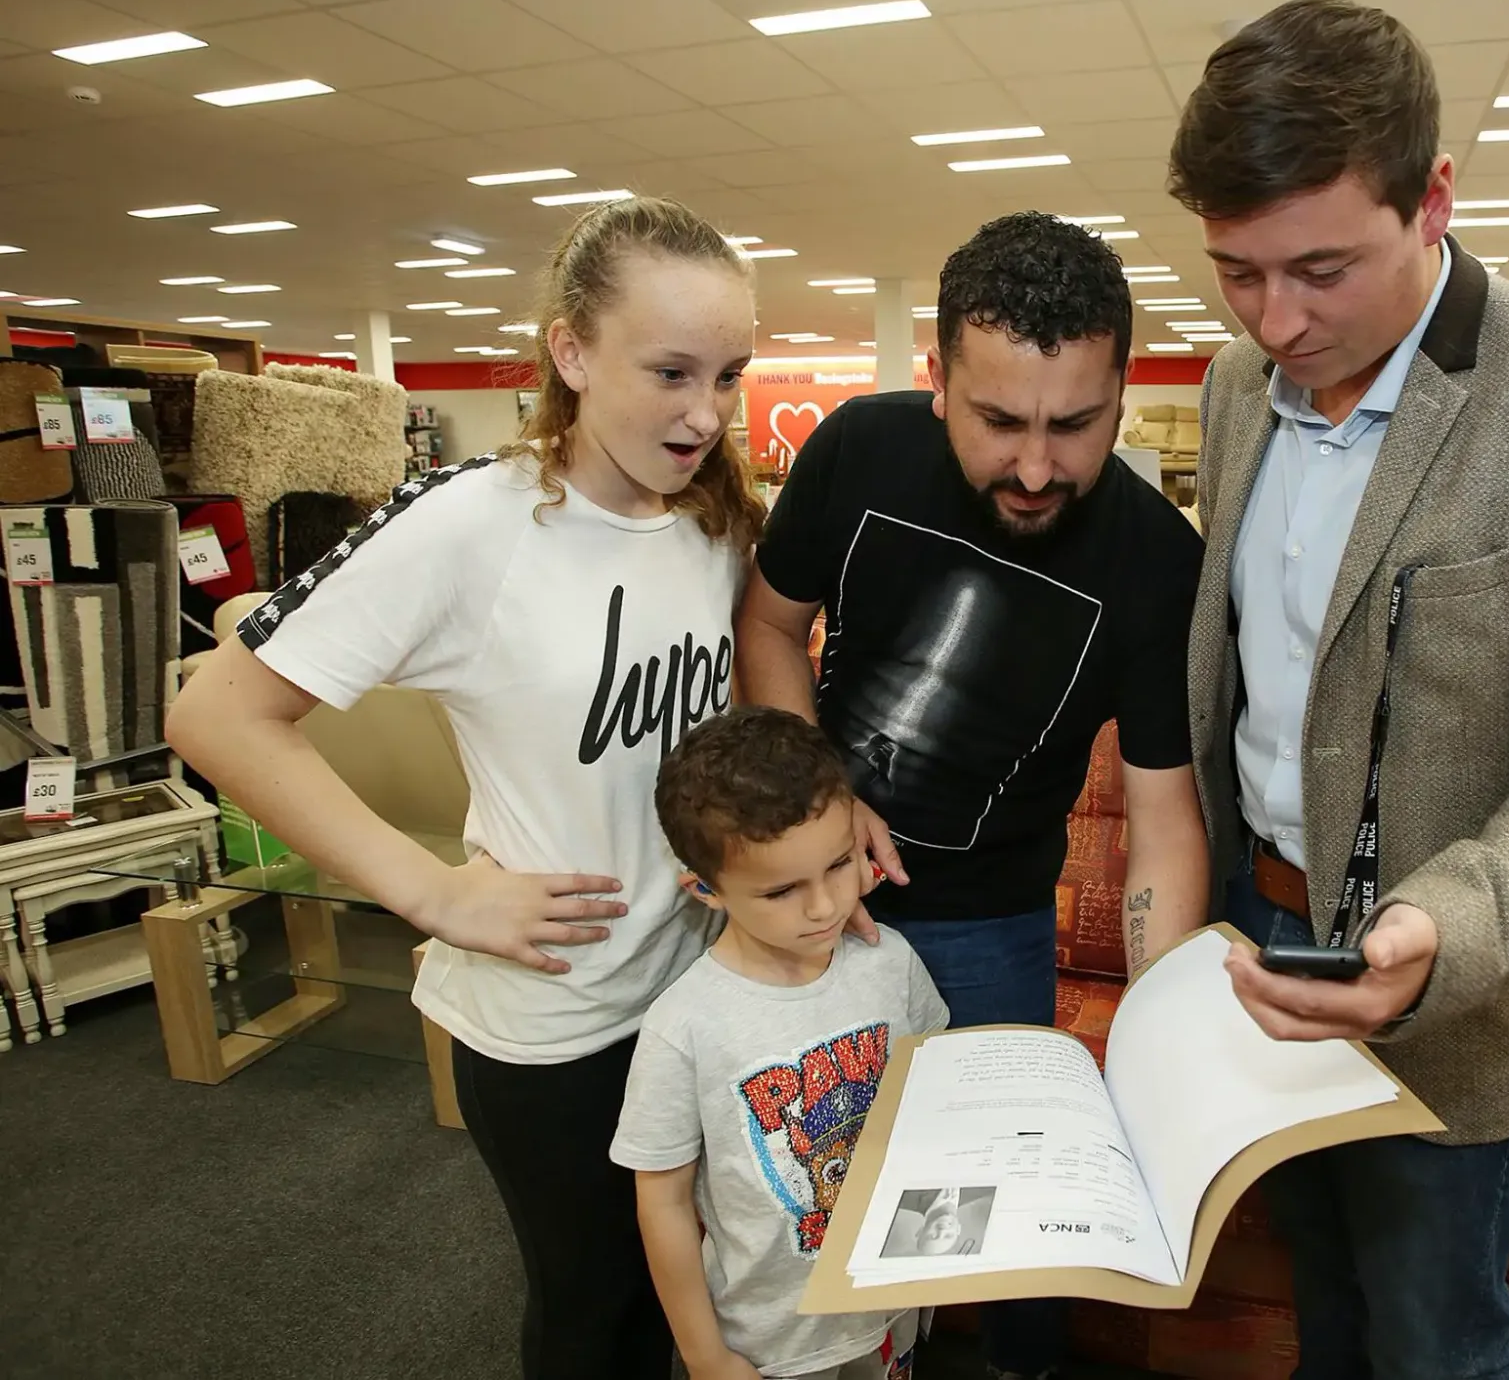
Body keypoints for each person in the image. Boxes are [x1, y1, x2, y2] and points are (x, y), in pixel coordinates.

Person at [1166, 0, 1509, 1380]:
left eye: (1321, 269)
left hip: (1465, 990)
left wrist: (1443, 923)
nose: (1276, 320)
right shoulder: (1233, 387)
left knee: (1432, 1345)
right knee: (1323, 1312)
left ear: (1433, 200)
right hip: (1263, 943)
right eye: (1236, 272)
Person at [165, 196, 767, 1380]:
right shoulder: (469, 526)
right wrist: (433, 893)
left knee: (688, 1300)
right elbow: (216, 716)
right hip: (555, 1025)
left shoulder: (714, 520)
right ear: (571, 352)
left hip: (694, 990)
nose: (705, 413)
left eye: (728, 376)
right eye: (669, 372)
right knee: (595, 1317)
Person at [734, 211, 1211, 1380]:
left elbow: (1161, 823)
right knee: (796, 1186)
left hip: (991, 922)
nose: (1037, 469)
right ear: (938, 383)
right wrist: (820, 798)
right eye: (999, 422)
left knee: (1010, 1210)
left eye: (1075, 424)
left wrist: (1158, 1032)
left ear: (1121, 392)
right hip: (803, 893)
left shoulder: (1156, 561)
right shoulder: (860, 449)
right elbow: (767, 625)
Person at [614, 705, 947, 1380]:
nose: (825, 906)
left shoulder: (891, 961)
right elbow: (664, 1202)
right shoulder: (684, 1026)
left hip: (889, 1303)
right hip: (774, 1342)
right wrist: (705, 1354)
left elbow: (933, 1103)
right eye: (782, 890)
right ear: (705, 889)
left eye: (840, 864)